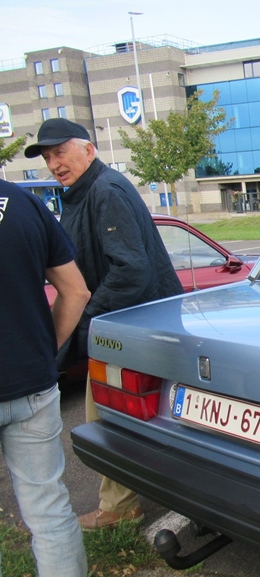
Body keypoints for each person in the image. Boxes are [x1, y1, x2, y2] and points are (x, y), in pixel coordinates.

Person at [25, 118, 184, 531]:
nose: (54, 164)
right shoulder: (85, 193)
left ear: (88, 150)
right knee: (133, 416)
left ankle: (119, 506)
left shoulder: (105, 191)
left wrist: (87, 316)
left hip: (127, 327)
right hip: (128, 325)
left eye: (60, 153)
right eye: (48, 157)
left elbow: (131, 270)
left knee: (106, 417)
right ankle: (134, 498)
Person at [0, 179, 92, 577]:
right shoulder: (25, 205)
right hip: (32, 386)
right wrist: (44, 351)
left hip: (32, 381)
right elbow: (76, 291)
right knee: (49, 509)